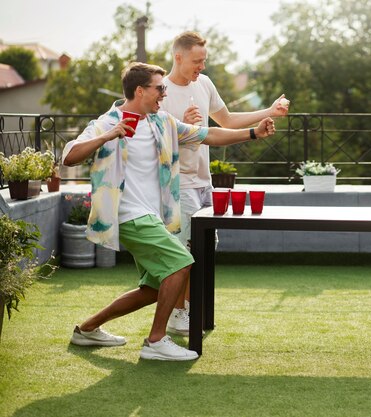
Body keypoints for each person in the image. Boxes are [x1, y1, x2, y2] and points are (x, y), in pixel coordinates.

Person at [64, 62, 276, 361]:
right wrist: (108, 136)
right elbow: (70, 157)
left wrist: (253, 133)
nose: (165, 93)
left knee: (153, 288)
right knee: (180, 263)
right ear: (140, 91)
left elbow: (208, 135)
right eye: (160, 88)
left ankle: (86, 329)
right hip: (127, 214)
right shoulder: (106, 122)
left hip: (153, 216)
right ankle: (156, 341)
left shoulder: (161, 121)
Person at [160, 31, 290, 336]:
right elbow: (156, 142)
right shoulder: (160, 91)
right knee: (184, 253)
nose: (201, 67)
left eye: (204, 60)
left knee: (204, 248)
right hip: (177, 184)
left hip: (204, 183)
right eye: (197, 61)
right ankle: (178, 314)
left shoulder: (203, 84)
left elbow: (227, 121)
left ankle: (190, 310)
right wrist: (186, 127)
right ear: (178, 57)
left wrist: (269, 111)